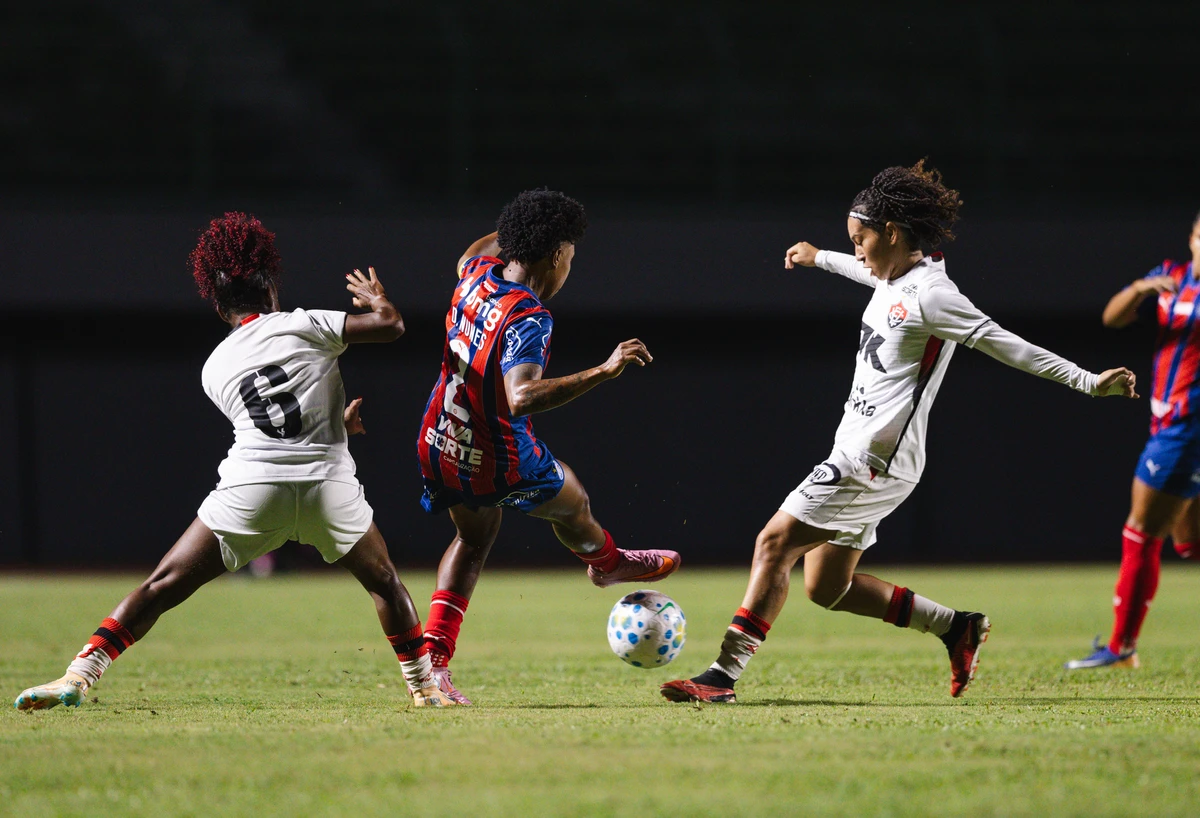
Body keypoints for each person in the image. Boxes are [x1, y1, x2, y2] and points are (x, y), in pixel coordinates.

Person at [660, 161, 1138, 704]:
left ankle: (721, 676)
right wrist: (820, 257)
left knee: (773, 542)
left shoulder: (932, 295)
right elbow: (867, 273)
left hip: (872, 460)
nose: (858, 252)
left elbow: (1007, 344)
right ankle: (957, 627)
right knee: (826, 587)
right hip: (861, 452)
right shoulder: (894, 275)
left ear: (890, 232)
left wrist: (1088, 382)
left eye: (860, 240)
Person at [14, 212, 456, 710]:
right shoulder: (304, 322)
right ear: (270, 287)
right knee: (385, 583)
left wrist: (332, 423)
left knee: (161, 585)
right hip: (327, 487)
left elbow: (271, 421)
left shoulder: (215, 367)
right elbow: (391, 326)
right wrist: (378, 300)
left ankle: (79, 674)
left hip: (254, 487)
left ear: (220, 306)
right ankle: (424, 688)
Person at [416, 188, 680, 704]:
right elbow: (521, 397)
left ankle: (434, 664)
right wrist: (604, 370)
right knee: (572, 499)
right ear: (556, 254)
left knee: (473, 538)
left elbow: (477, 249)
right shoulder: (528, 316)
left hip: (439, 437)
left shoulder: (473, 273)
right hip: (496, 456)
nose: (569, 268)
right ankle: (607, 561)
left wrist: (524, 222)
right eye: (570, 256)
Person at [1066, 211, 1200, 670]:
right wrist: (1141, 288)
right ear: (1191, 238)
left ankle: (1122, 648)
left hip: (1186, 427)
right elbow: (1112, 317)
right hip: (1166, 421)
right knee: (1189, 541)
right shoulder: (1172, 276)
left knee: (1141, 531)